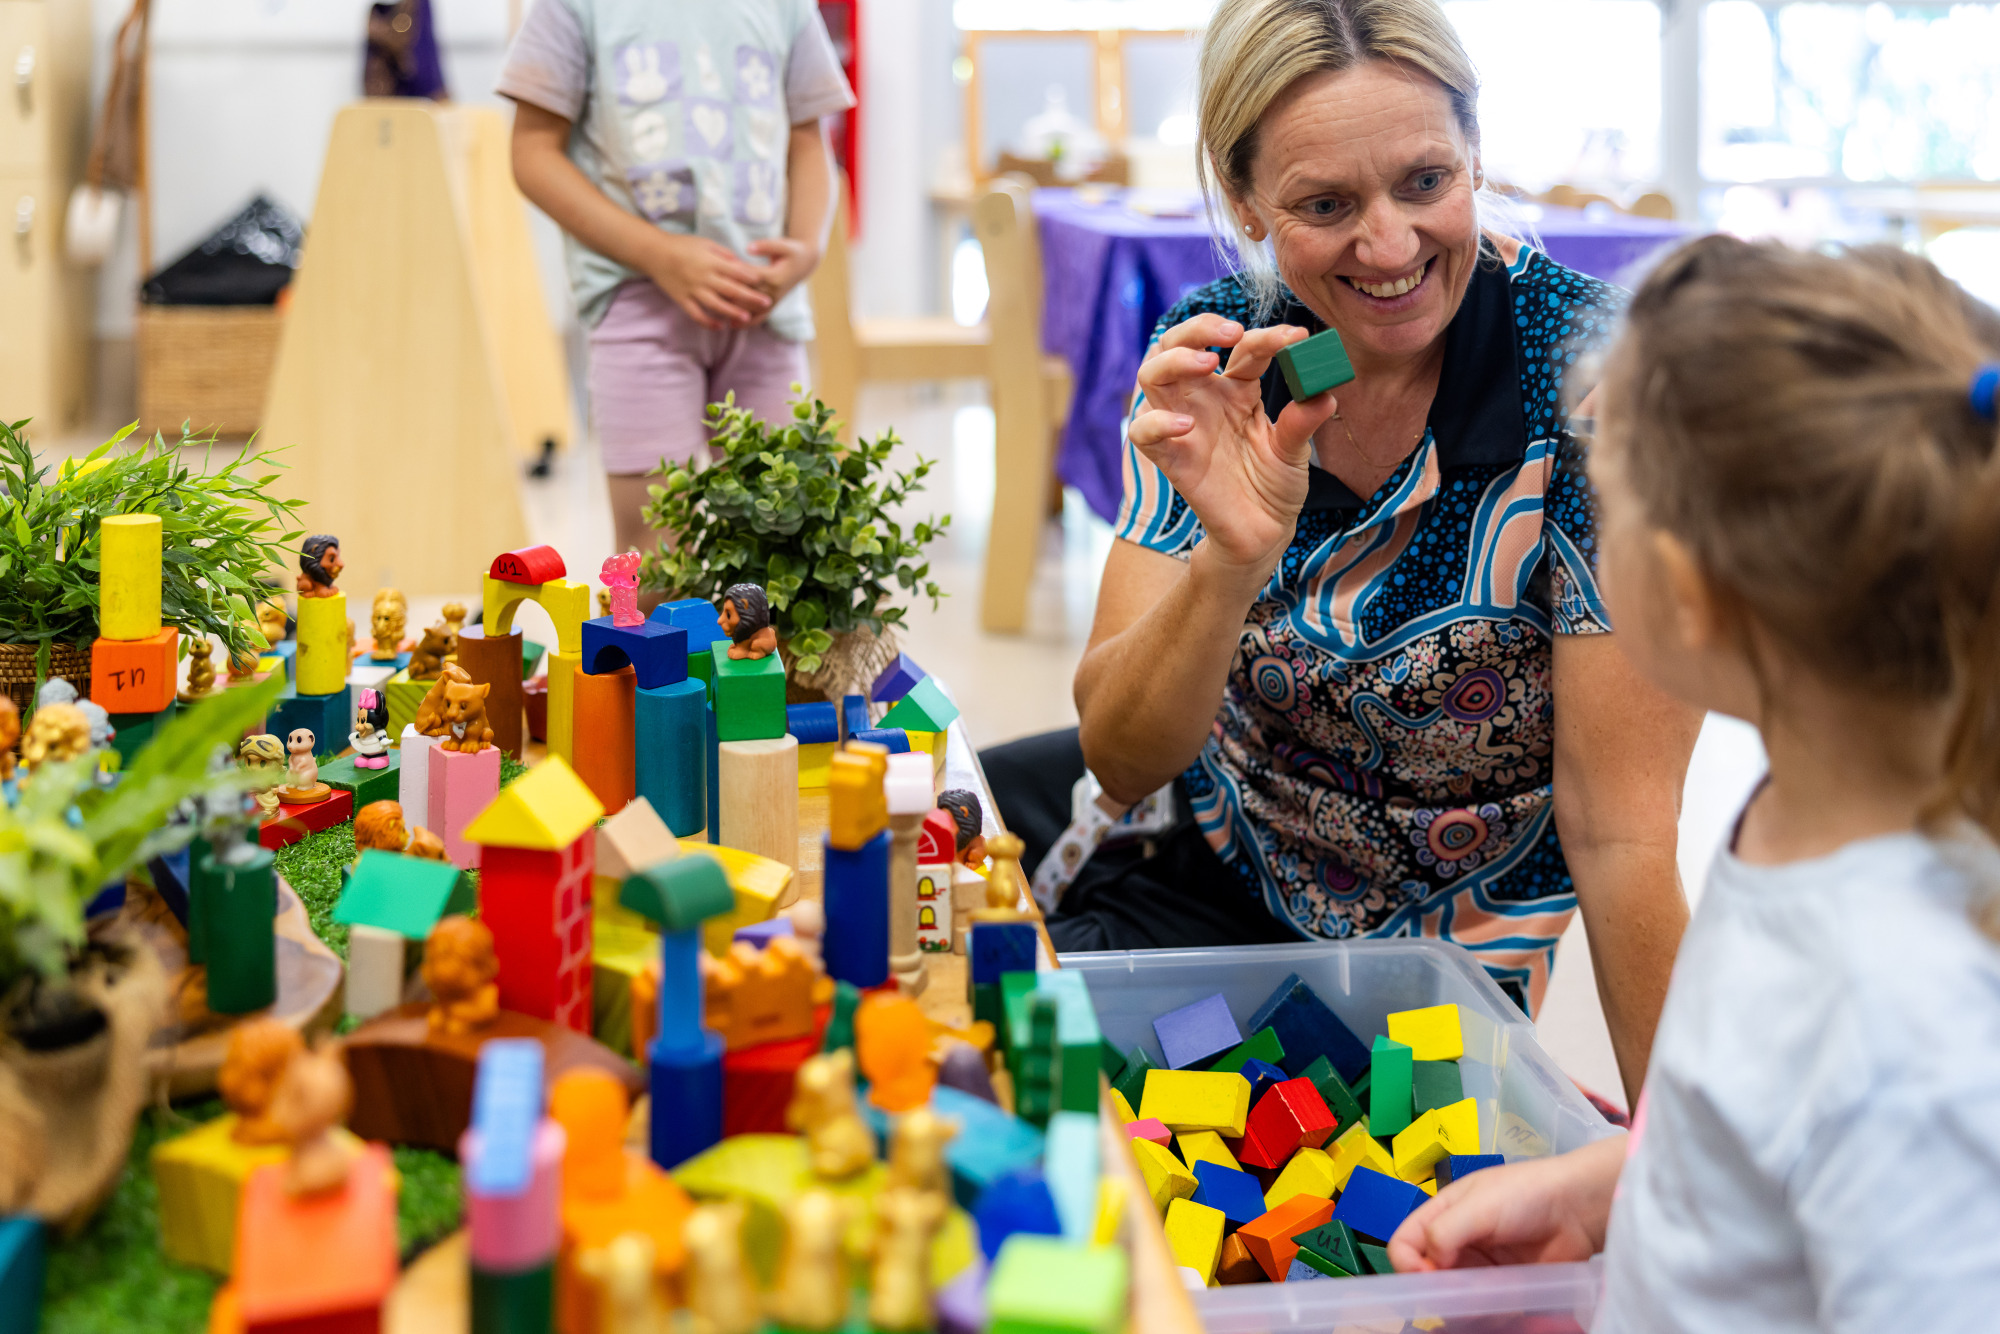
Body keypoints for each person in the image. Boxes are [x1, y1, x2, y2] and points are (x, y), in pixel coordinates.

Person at [984, 0, 1696, 1104]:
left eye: (1423, 182)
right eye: (1324, 204)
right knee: (931, 920)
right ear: (1241, 201)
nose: (1388, 245)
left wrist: (1678, 1177)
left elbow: (1619, 834)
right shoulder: (1223, 356)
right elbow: (1122, 758)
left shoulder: (1594, 391)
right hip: (1208, 843)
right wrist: (1229, 559)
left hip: (1416, 973)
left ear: (1472, 149)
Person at [1388, 238, 2000, 1328]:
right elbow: (1772, 1133)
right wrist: (1621, 1184)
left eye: (1606, 506)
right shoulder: (1802, 817)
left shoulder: (1904, 1030)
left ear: (1683, 593)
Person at [498, 0, 854, 557]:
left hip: (763, 312)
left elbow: (809, 141)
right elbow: (532, 154)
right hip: (639, 308)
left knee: (787, 539)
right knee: (657, 551)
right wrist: (659, 254)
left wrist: (807, 248)